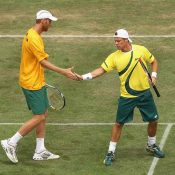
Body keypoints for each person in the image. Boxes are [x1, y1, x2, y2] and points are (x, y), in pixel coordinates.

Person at [76, 29, 165, 166]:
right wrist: (83, 77)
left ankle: (151, 145)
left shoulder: (141, 50)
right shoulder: (114, 57)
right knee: (119, 124)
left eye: (118, 41)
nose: (116, 43)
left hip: (144, 94)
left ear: (126, 40)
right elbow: (101, 70)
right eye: (115, 41)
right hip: (127, 96)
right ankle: (111, 151)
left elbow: (154, 62)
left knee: (153, 120)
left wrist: (153, 76)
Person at [1, 10, 79, 163]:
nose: (51, 24)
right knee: (40, 116)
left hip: (36, 80)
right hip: (32, 83)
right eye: (50, 21)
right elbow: (43, 62)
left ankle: (40, 150)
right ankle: (11, 142)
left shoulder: (33, 34)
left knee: (43, 114)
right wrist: (64, 72)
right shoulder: (35, 39)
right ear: (43, 21)